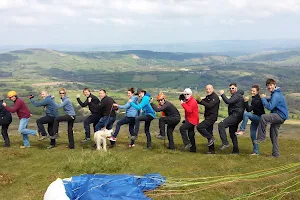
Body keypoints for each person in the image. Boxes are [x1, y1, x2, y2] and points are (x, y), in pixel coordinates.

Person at [254, 79, 288, 158]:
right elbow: (271, 99)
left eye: (271, 85)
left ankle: (261, 137)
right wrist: (265, 98)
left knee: (263, 117)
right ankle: (276, 154)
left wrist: (263, 99)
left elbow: (270, 107)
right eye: (268, 85)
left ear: (274, 85)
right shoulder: (275, 93)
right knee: (273, 135)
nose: (269, 87)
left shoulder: (276, 94)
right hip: (281, 116)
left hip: (280, 115)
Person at [235, 85, 265, 155]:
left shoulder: (256, 100)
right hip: (256, 117)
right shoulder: (255, 98)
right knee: (253, 134)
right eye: (251, 91)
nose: (252, 92)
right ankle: (256, 151)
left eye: (253, 91)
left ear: (257, 92)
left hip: (259, 118)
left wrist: (245, 101)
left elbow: (248, 109)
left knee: (246, 113)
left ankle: (242, 130)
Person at [218, 83, 245, 154]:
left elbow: (228, 101)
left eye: (233, 88)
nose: (231, 90)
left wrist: (222, 94)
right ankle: (236, 150)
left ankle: (225, 143)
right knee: (232, 133)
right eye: (230, 88)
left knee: (221, 125)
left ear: (236, 88)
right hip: (237, 115)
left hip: (236, 115)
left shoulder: (237, 95)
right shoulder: (236, 95)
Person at [196, 85, 220, 154]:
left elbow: (209, 105)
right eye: (207, 89)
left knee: (200, 127)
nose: (208, 90)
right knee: (209, 132)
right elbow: (202, 102)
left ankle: (211, 138)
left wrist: (201, 101)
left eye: (209, 89)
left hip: (212, 117)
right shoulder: (208, 97)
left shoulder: (215, 97)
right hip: (208, 117)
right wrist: (196, 100)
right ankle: (211, 150)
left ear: (212, 89)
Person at [179, 88, 199, 152]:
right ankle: (193, 149)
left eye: (187, 94)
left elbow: (189, 110)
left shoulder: (192, 101)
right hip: (191, 119)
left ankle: (187, 143)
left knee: (182, 128)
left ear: (190, 94)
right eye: (185, 94)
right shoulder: (189, 100)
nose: (186, 95)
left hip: (192, 120)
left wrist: (183, 103)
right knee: (191, 134)